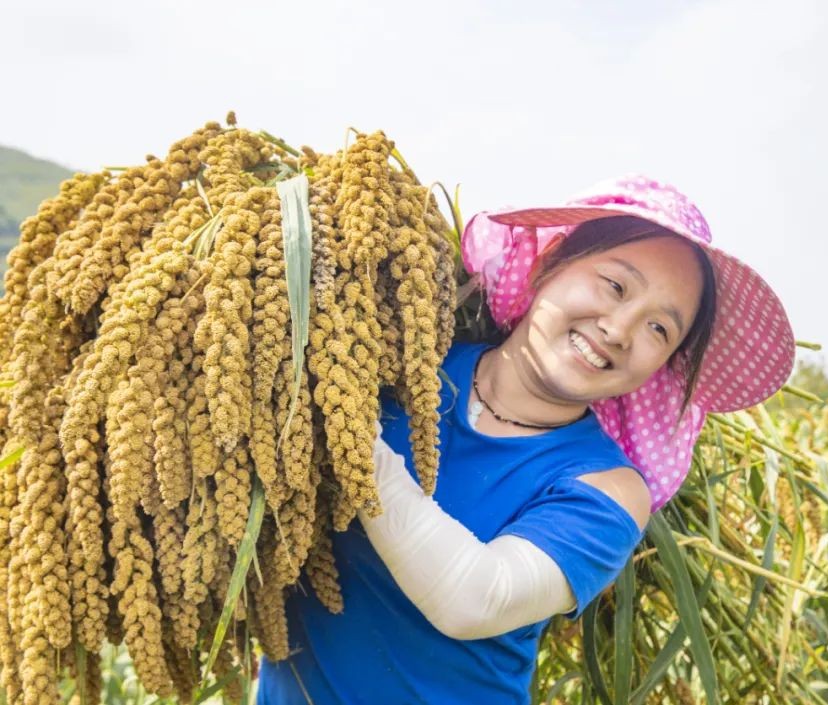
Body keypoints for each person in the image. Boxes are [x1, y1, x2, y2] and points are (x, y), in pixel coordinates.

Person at [255, 174, 795, 704]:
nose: (619, 329)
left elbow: (476, 598)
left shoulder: (609, 489)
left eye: (660, 329)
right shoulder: (401, 362)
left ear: (664, 365)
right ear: (546, 263)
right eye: (615, 286)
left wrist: (340, 418)